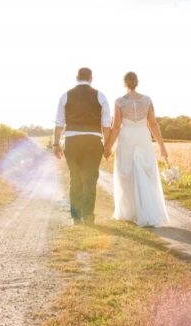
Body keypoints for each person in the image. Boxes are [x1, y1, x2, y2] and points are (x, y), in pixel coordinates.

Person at [104, 71, 170, 227]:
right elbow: (153, 124)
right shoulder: (147, 100)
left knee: (125, 173)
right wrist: (162, 146)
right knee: (146, 173)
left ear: (124, 83)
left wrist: (107, 147)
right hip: (142, 136)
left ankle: (130, 212)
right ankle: (147, 211)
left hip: (127, 136)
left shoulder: (119, 101)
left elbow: (116, 127)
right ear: (137, 82)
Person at [52, 67, 111, 224]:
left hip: (72, 141)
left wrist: (55, 144)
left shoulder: (65, 96)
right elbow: (106, 125)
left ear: (76, 78)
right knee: (90, 179)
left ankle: (76, 218)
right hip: (93, 141)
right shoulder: (100, 96)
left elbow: (59, 123)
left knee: (75, 179)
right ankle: (88, 216)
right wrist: (108, 146)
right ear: (91, 78)